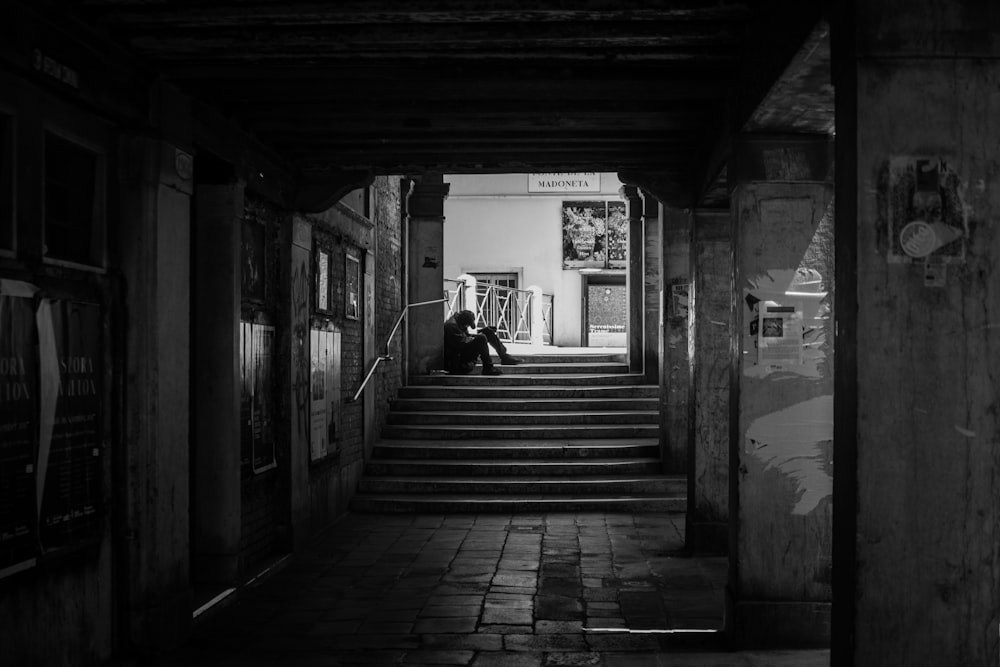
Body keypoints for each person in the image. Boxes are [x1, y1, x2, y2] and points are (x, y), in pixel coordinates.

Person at [443, 310, 521, 376]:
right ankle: (488, 367)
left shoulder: (459, 322)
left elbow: (466, 337)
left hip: (462, 351)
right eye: (467, 325)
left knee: (488, 332)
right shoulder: (451, 326)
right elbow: (462, 343)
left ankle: (504, 356)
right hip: (457, 361)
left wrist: (483, 331)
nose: (467, 327)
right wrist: (478, 337)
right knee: (482, 338)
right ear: (463, 322)